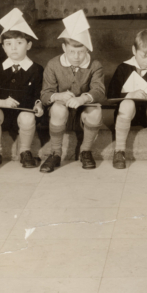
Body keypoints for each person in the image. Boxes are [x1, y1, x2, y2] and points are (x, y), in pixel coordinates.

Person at [39, 10, 106, 173]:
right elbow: (45, 94)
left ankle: (85, 150)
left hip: (81, 115)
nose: (76, 56)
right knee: (57, 107)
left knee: (96, 111)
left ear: (88, 50)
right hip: (60, 117)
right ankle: (55, 152)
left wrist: (83, 98)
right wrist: (58, 96)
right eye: (71, 52)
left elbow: (99, 91)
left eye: (81, 52)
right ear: (64, 47)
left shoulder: (95, 65)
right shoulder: (53, 65)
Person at [0, 9, 44, 169]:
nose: (14, 48)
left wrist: (38, 104)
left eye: (19, 43)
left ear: (28, 45)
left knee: (28, 117)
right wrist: (1, 102)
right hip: (3, 114)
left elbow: (39, 93)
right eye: (8, 44)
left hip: (24, 114)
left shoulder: (36, 69)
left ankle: (25, 151)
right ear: (3, 47)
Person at [107, 29, 147, 172]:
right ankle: (119, 151)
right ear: (134, 50)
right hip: (128, 114)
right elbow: (111, 95)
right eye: (144, 56)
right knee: (127, 103)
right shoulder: (123, 68)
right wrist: (129, 94)